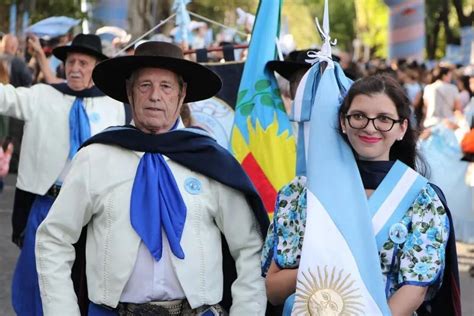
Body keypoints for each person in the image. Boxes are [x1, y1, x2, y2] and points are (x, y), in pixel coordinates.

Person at [35, 41, 268, 315]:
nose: (155, 96)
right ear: (130, 93)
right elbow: (54, 238)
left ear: (182, 95)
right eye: (145, 85)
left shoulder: (211, 162)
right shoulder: (96, 158)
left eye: (166, 87)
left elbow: (251, 248)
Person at [261, 74, 460, 315]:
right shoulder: (300, 193)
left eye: (384, 119)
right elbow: (273, 290)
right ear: (343, 122)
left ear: (402, 128)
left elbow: (414, 290)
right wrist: (323, 261)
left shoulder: (421, 198)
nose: (369, 127)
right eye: (358, 116)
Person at [0, 33, 129, 316]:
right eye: (71, 62)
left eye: (83, 63)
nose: (75, 68)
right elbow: (6, 97)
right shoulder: (43, 95)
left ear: (96, 68)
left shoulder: (112, 106)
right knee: (36, 275)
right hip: (46, 204)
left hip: (92, 210)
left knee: (85, 276)